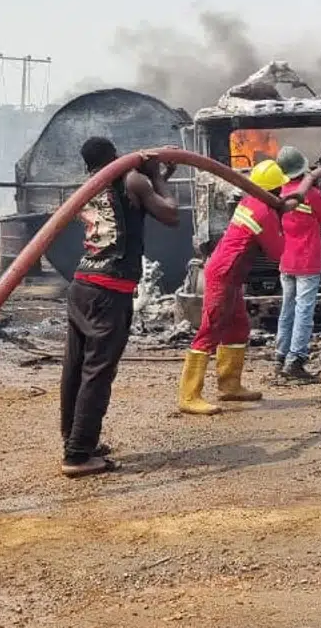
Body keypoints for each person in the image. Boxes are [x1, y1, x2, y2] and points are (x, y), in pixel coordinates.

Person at [60, 137, 180, 478]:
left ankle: (75, 439)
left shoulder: (89, 186)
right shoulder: (133, 179)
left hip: (82, 284)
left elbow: (128, 209)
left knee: (76, 368)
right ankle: (78, 455)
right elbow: (170, 214)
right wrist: (155, 177)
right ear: (114, 155)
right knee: (98, 372)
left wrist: (158, 177)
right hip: (109, 290)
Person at [178, 159, 290, 415]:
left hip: (230, 274)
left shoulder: (251, 202)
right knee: (210, 330)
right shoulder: (264, 212)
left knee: (238, 328)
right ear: (274, 189)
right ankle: (189, 395)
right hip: (224, 274)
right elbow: (277, 252)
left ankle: (230, 385)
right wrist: (284, 215)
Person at [273, 146, 321, 381]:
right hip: (307, 262)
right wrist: (318, 187)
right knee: (304, 311)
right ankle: (296, 360)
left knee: (287, 310)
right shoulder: (310, 194)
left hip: (286, 261)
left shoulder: (281, 192)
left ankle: (280, 357)